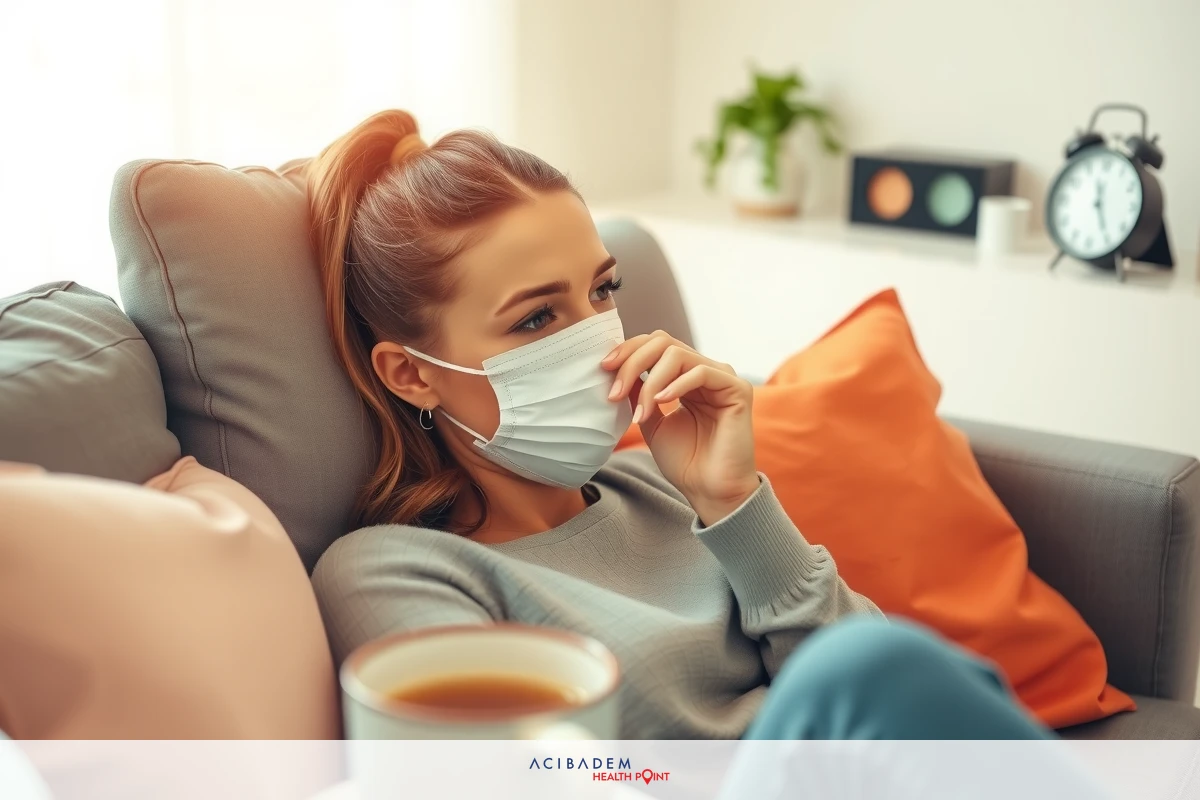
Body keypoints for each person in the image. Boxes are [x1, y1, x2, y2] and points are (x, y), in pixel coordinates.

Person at [307, 109, 1053, 740]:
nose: (597, 338)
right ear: (412, 373)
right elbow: (534, 771)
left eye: (603, 291)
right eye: (537, 317)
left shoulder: (660, 491)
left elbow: (878, 697)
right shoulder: (389, 569)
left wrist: (733, 501)